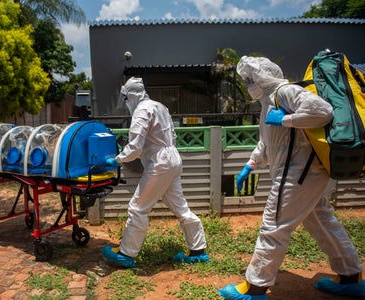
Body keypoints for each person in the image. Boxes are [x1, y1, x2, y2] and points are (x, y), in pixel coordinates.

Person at [218, 56, 364, 299]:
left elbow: (323, 111)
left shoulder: (285, 91)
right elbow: (268, 142)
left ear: (261, 77)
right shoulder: (268, 100)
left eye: (249, 79)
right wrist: (250, 165)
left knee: (273, 226)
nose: (247, 84)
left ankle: (255, 287)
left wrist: (286, 119)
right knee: (322, 222)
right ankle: (350, 277)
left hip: (298, 174)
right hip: (302, 175)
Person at [101, 77, 209, 268]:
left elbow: (135, 146)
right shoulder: (160, 106)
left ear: (131, 95)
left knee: (138, 207)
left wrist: (116, 160)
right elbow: (172, 135)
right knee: (180, 206)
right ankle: (198, 250)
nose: (125, 103)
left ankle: (126, 253)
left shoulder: (142, 111)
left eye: (125, 98)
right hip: (173, 159)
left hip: (159, 164)